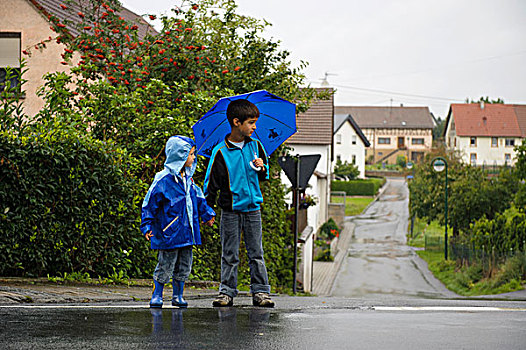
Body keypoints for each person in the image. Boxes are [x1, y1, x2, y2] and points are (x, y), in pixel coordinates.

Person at [204, 99, 275, 308]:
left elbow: (264, 176)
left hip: (253, 209)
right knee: (230, 254)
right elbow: (211, 185)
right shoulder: (220, 151)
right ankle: (226, 292)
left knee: (256, 253)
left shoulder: (256, 146)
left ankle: (261, 292)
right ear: (236, 122)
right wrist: (208, 210)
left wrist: (262, 168)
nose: (254, 127)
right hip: (230, 210)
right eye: (251, 122)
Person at [141, 135, 215, 308]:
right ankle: (157, 294)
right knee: (165, 264)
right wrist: (147, 225)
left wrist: (207, 214)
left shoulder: (188, 180)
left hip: (187, 232)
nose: (193, 157)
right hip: (169, 232)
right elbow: (149, 203)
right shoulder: (163, 180)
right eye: (190, 154)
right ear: (179, 156)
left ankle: (178, 295)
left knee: (184, 265)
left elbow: (198, 199)